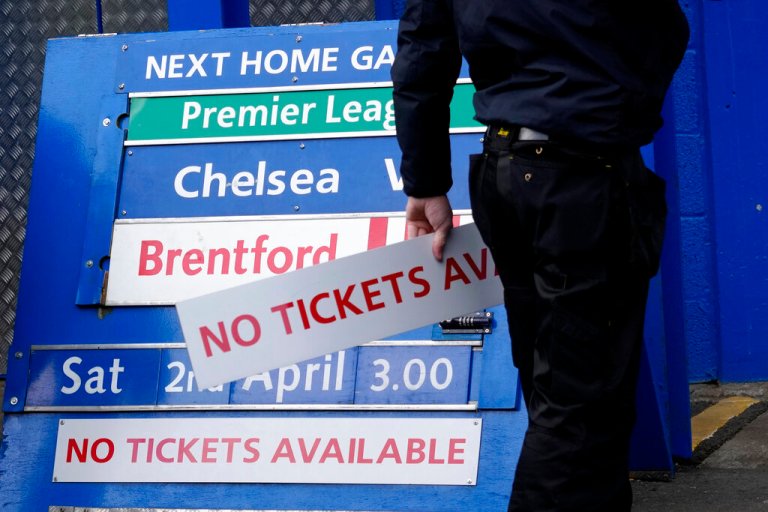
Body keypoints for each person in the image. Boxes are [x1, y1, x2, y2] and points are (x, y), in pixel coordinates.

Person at [391, 1, 689, 511]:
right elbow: (666, 28)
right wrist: (610, 103)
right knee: (577, 410)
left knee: (557, 393)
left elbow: (422, 47)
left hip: (504, 169)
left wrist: (424, 182)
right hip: (580, 174)